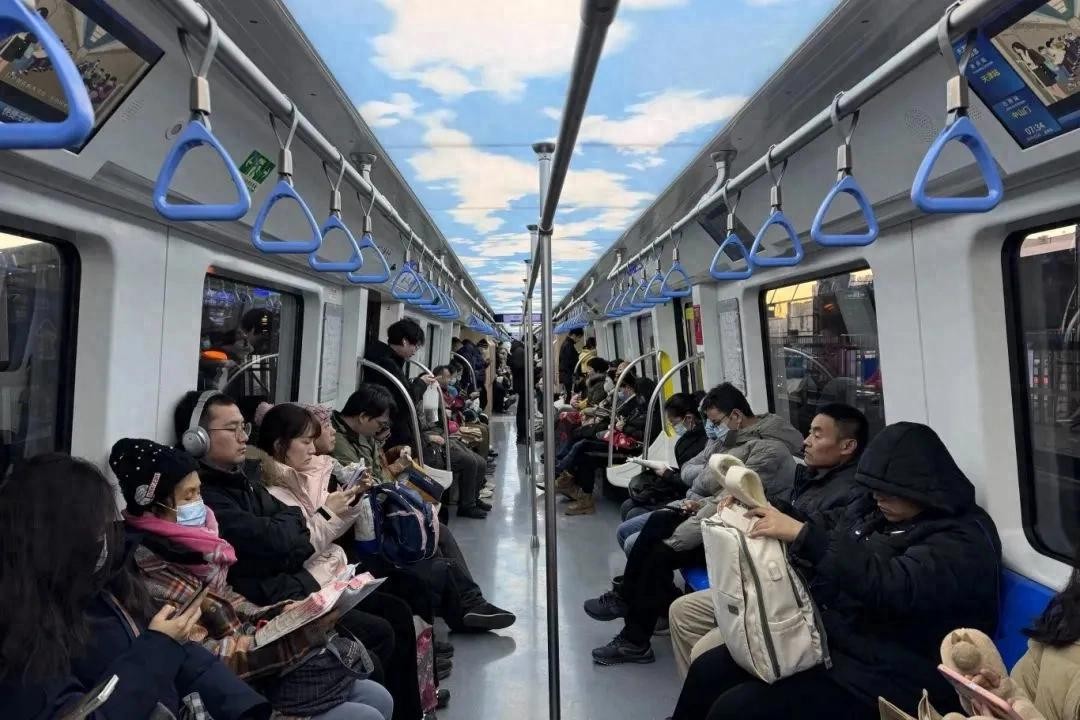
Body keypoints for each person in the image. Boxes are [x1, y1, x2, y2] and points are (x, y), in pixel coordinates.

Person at [670, 422, 1002, 720]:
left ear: (922, 488)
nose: (878, 497)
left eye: (888, 491)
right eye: (874, 489)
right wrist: (767, 508)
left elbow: (893, 586)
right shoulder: (879, 511)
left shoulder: (962, 540)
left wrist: (804, 537)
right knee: (709, 670)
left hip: (897, 673)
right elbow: (827, 526)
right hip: (841, 643)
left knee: (736, 710)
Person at [173, 391, 424, 720]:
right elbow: (280, 540)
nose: (244, 437)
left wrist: (312, 523)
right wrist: (317, 521)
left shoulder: (245, 481)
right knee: (380, 634)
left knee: (401, 602)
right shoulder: (217, 499)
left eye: (244, 427)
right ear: (197, 439)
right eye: (232, 429)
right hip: (275, 594)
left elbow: (291, 526)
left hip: (292, 582)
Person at [110, 438, 394, 720]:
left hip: (255, 669)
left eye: (199, 492)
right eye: (188, 496)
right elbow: (206, 658)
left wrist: (283, 614)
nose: (200, 504)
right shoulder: (152, 573)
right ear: (154, 507)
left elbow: (230, 601)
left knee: (376, 695)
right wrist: (297, 637)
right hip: (229, 695)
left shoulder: (197, 549)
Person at [0, 453, 271, 720]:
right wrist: (159, 648)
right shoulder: (21, 639)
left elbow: (185, 654)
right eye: (94, 527)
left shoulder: (109, 579)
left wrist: (247, 708)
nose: (104, 536)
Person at [584, 382, 803, 664]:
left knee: (659, 554)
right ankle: (628, 607)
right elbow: (707, 484)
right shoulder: (732, 438)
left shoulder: (768, 452)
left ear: (736, 416)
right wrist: (696, 505)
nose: (711, 428)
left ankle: (634, 636)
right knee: (659, 522)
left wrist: (681, 533)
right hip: (718, 517)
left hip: (743, 533)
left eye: (715, 422)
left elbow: (733, 500)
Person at [667, 403, 870, 677]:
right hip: (776, 576)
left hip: (798, 592)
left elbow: (822, 539)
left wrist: (780, 519)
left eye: (817, 435)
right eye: (809, 432)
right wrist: (750, 501)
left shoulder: (854, 494)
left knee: (704, 652)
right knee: (683, 611)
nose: (806, 441)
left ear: (847, 446)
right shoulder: (811, 476)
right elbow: (793, 513)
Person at [328, 385, 516, 630]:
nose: (381, 429)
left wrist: (395, 459)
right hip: (365, 518)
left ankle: (467, 602)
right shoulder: (338, 442)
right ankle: (465, 604)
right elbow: (367, 483)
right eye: (380, 423)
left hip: (378, 506)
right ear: (363, 417)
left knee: (436, 529)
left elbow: (377, 474)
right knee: (427, 532)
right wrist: (395, 472)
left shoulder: (362, 435)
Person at [555, 372, 647, 516]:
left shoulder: (643, 410)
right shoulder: (632, 406)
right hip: (616, 440)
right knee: (584, 452)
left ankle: (561, 475)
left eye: (621, 388)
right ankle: (579, 493)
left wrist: (623, 427)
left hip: (626, 448)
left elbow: (639, 434)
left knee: (583, 445)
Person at [618, 391, 708, 522]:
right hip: (680, 487)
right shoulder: (689, 439)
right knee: (627, 505)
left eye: (673, 423)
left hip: (692, 496)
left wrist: (666, 474)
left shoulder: (702, 442)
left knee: (634, 513)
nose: (673, 427)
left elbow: (694, 481)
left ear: (688, 418)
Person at [363, 318, 434, 452]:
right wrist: (421, 383)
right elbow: (406, 402)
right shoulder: (387, 364)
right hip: (395, 433)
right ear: (405, 341)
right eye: (415, 346)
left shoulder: (389, 360)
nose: (415, 351)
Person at [510, 339, 529, 443]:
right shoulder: (520, 351)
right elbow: (519, 366)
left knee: (522, 411)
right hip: (523, 385)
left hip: (521, 385)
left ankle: (522, 435)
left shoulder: (517, 350)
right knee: (523, 411)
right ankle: (522, 436)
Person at [559, 328, 584, 399]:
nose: (579, 340)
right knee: (572, 398)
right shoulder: (569, 346)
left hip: (566, 376)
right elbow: (571, 363)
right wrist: (577, 376)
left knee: (570, 397)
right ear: (574, 335)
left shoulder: (566, 344)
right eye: (579, 337)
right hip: (569, 377)